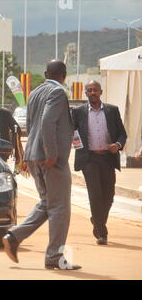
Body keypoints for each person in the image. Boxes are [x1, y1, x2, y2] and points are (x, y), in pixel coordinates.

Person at [2, 60, 81, 270]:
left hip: (34, 155)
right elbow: (47, 121)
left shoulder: (35, 92)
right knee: (61, 208)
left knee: (48, 204)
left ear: (46, 73)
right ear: (64, 75)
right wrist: (51, 152)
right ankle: (54, 256)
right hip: (50, 158)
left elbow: (31, 123)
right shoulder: (57, 93)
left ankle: (14, 237)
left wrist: (30, 156)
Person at [72, 80, 127, 245]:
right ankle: (102, 232)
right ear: (86, 93)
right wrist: (80, 148)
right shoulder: (78, 112)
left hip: (108, 159)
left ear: (101, 92)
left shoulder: (112, 111)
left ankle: (96, 220)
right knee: (95, 195)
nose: (92, 93)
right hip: (89, 160)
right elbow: (73, 133)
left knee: (108, 196)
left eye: (95, 90)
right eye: (89, 90)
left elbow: (122, 134)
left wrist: (117, 145)